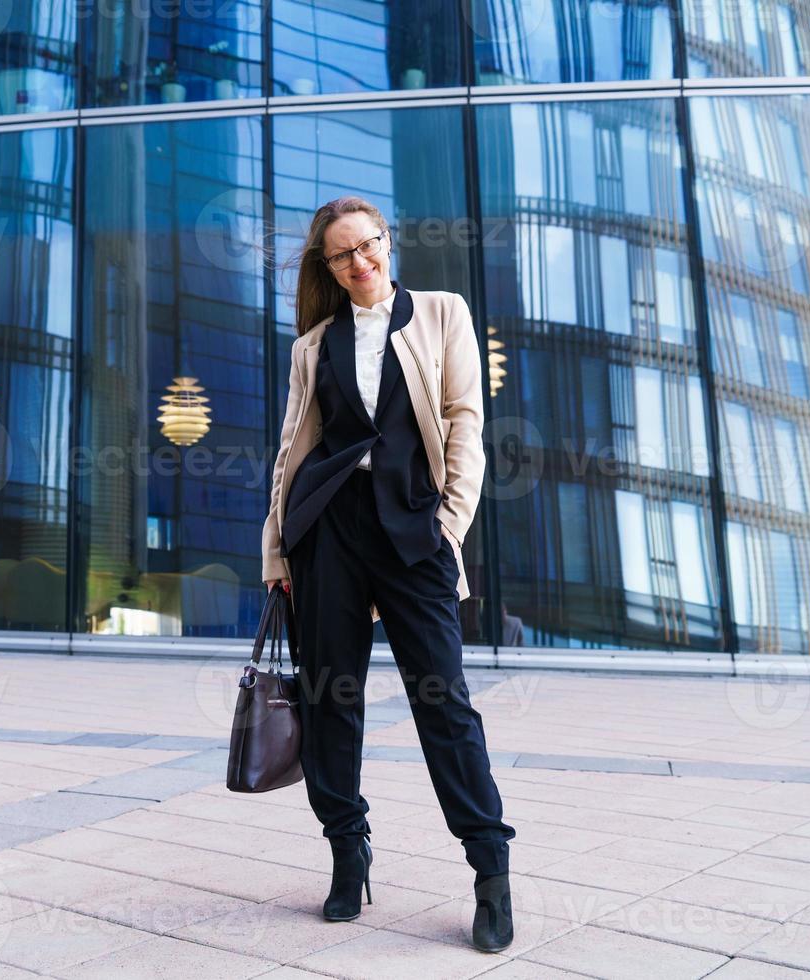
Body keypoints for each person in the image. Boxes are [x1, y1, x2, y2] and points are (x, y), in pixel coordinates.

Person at [260, 196, 515, 952]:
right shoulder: (314, 344)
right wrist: (278, 553)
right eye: (343, 255)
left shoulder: (442, 313)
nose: (360, 262)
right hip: (327, 532)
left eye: (368, 245)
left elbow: (464, 417)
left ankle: (490, 870)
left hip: (414, 532)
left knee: (444, 703)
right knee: (330, 698)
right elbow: (290, 451)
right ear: (328, 267)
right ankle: (347, 850)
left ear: (386, 242)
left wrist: (449, 524)